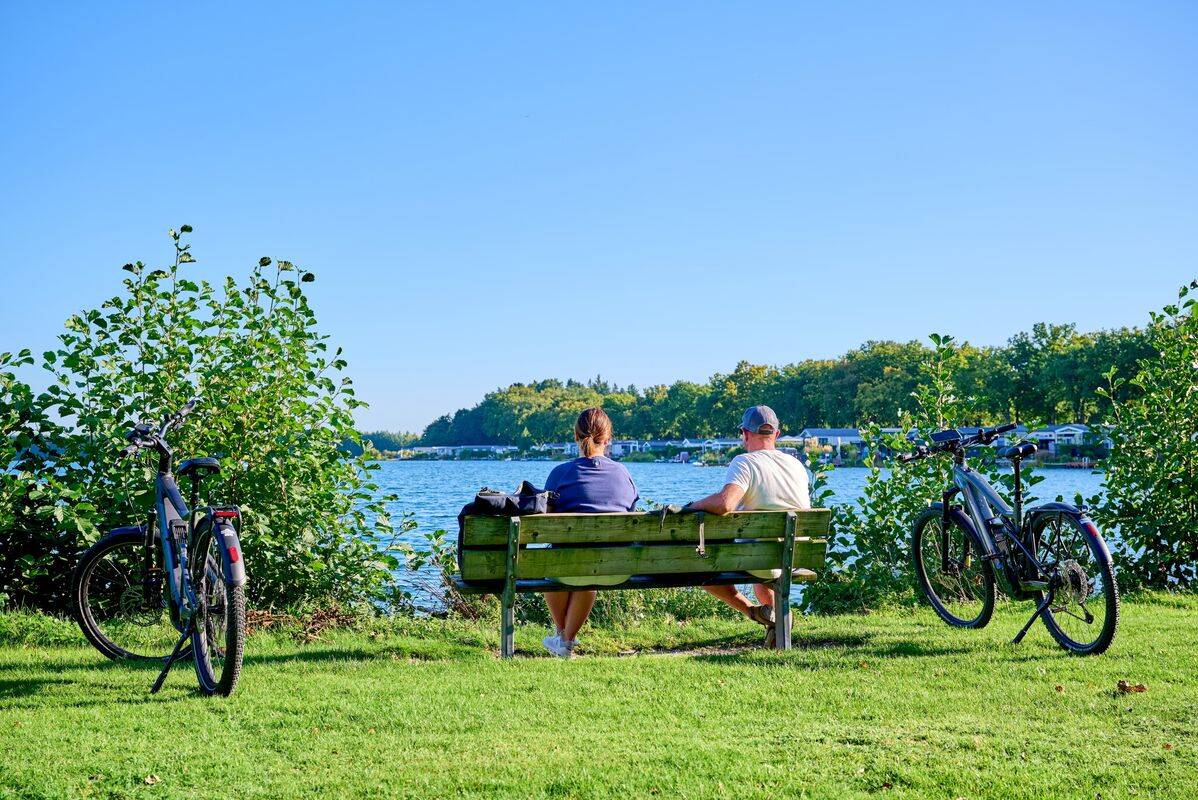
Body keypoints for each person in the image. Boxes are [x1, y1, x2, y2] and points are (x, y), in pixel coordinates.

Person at [685, 405, 810, 643]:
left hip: (759, 558)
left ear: (744, 433)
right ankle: (776, 623)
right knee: (764, 569)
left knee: (698, 568)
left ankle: (752, 612)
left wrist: (693, 505)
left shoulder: (745, 462)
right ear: (777, 434)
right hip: (795, 557)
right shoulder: (796, 465)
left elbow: (725, 504)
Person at [540, 407, 639, 658]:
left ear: (576, 436)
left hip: (567, 564)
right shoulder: (623, 473)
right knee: (590, 568)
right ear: (607, 439)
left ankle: (563, 639)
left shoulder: (560, 473)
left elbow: (546, 522)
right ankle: (564, 641)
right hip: (615, 567)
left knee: (561, 563)